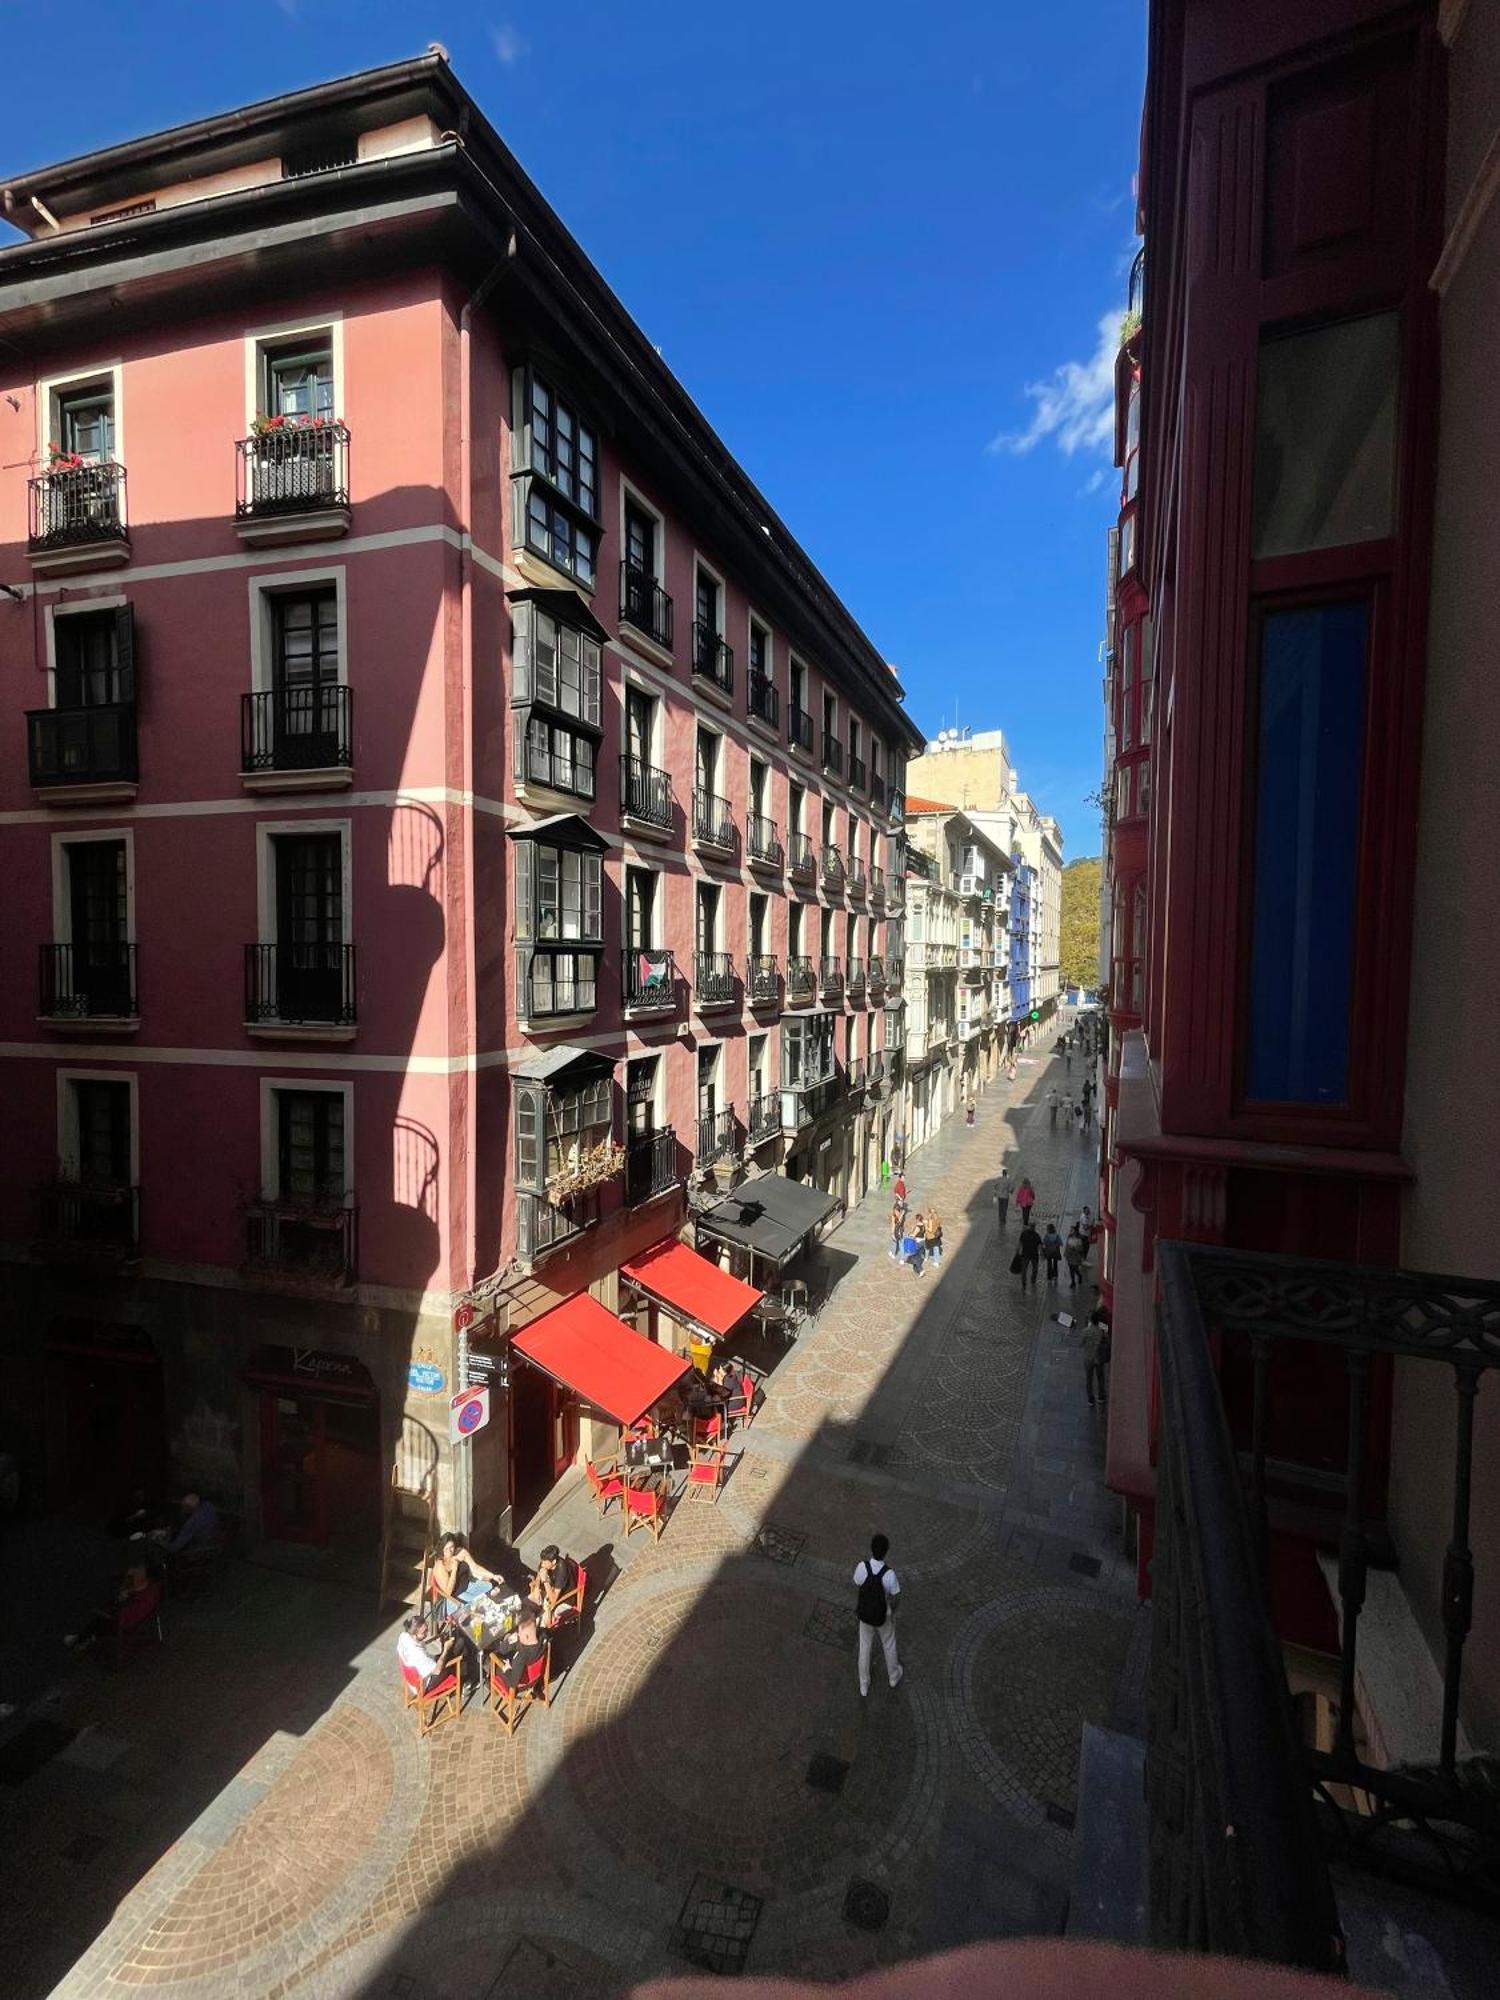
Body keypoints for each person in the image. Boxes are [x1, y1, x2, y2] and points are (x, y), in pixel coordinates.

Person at [853, 1532, 902, 1697]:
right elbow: (896, 1596)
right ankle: (893, 1676)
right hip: (883, 1616)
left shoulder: (862, 1567)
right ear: (886, 1551)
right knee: (889, 1643)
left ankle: (864, 1684)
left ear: (871, 1549)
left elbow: (857, 1582)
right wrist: (891, 1611)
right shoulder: (890, 1574)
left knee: (864, 1647)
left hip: (865, 1614)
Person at [64, 1564, 155, 1652]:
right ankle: (85, 1639)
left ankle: (79, 1639)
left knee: (97, 1621)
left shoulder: (134, 1597)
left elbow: (123, 1614)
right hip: (136, 1619)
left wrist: (120, 1600)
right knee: (102, 1618)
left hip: (123, 1624)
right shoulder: (149, 1588)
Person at [431, 1532, 499, 1614]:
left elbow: (475, 1568)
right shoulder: (440, 1565)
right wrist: (455, 1569)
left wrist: (493, 1576)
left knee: (490, 1587)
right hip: (452, 1597)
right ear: (442, 1549)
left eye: (452, 1547)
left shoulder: (461, 1552)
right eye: (446, 1549)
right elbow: (448, 1592)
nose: (450, 1551)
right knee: (477, 1606)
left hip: (467, 1586)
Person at [397, 1613, 464, 1688]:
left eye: (427, 1629)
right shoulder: (418, 1654)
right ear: (414, 1635)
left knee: (454, 1646)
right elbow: (437, 1670)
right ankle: (465, 1680)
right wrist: (446, 1649)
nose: (427, 1633)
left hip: (416, 1674)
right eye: (424, 1632)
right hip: (425, 1684)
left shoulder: (404, 1635)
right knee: (459, 1650)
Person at [495, 1607, 548, 1693]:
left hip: (522, 1681)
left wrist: (507, 1669)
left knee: (493, 1658)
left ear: (526, 1636)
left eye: (519, 1633)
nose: (518, 1634)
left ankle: (489, 1682)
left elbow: (513, 1682)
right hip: (536, 1675)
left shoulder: (521, 1657)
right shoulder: (543, 1636)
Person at [532, 1544, 579, 1627]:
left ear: (553, 1562)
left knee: (545, 1621)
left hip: (566, 1599)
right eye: (542, 1561)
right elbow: (539, 1573)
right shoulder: (546, 1562)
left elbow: (553, 1600)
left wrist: (545, 1581)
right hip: (552, 1590)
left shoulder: (562, 1571)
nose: (542, 1564)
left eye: (545, 1563)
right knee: (531, 1601)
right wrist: (536, 1587)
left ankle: (544, 1634)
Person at [1085, 1306, 1112, 1408]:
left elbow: (1081, 1342)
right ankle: (1101, 1396)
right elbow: (1107, 1341)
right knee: (1100, 1377)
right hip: (1099, 1357)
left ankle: (1090, 1399)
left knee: (1089, 1379)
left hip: (1089, 1358)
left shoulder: (1086, 1330)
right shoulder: (1103, 1330)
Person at [1016, 1219, 1042, 1291]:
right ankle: (1024, 1282)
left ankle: (1032, 1280)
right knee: (1025, 1270)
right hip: (1027, 1255)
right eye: (1031, 1226)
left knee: (1034, 1269)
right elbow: (1020, 1242)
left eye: (1033, 1226)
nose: (1032, 1227)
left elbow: (1039, 1245)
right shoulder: (1025, 1234)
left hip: (1032, 1255)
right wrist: (1018, 1250)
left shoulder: (1036, 1235)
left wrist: (1041, 1252)